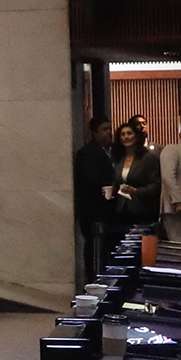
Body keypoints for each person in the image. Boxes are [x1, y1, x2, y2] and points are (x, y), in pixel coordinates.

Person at [72, 117, 116, 283]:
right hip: (93, 211)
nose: (109, 133)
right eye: (104, 129)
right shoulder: (87, 153)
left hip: (106, 211)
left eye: (110, 128)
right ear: (94, 132)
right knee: (94, 248)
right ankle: (93, 281)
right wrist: (110, 187)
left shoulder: (111, 151)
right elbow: (91, 180)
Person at [109, 119, 160, 237]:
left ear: (136, 136)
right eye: (123, 134)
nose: (126, 137)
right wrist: (112, 190)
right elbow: (118, 181)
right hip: (122, 209)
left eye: (129, 133)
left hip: (142, 209)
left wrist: (136, 191)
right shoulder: (118, 159)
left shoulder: (148, 157)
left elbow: (156, 185)